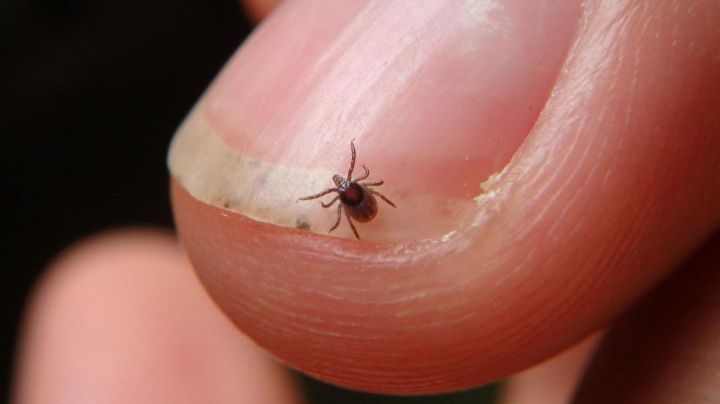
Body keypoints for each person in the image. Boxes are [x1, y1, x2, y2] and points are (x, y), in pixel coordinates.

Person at [13, 1, 720, 403]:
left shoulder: (347, 194)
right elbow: (359, 188)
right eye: (349, 188)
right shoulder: (356, 190)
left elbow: (353, 191)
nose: (349, 189)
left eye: (349, 187)